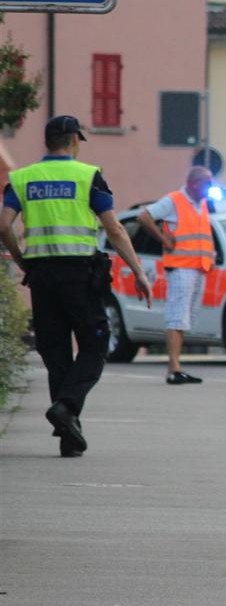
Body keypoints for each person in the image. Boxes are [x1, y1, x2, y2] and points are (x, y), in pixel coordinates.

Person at [0, 115, 152, 457]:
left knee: (56, 354)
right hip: (80, 275)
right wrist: (138, 271)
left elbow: (4, 225)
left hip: (41, 277)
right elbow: (114, 229)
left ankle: (69, 436)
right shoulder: (87, 176)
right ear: (73, 141)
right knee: (96, 345)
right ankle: (67, 407)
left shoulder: (22, 179)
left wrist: (21, 259)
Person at [137, 167, 215, 384]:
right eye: (207, 183)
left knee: (185, 318)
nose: (210, 188)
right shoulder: (174, 200)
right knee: (177, 317)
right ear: (194, 183)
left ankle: (176, 366)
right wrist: (164, 239)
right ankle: (174, 368)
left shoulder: (201, 204)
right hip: (181, 267)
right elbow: (144, 217)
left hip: (198, 266)